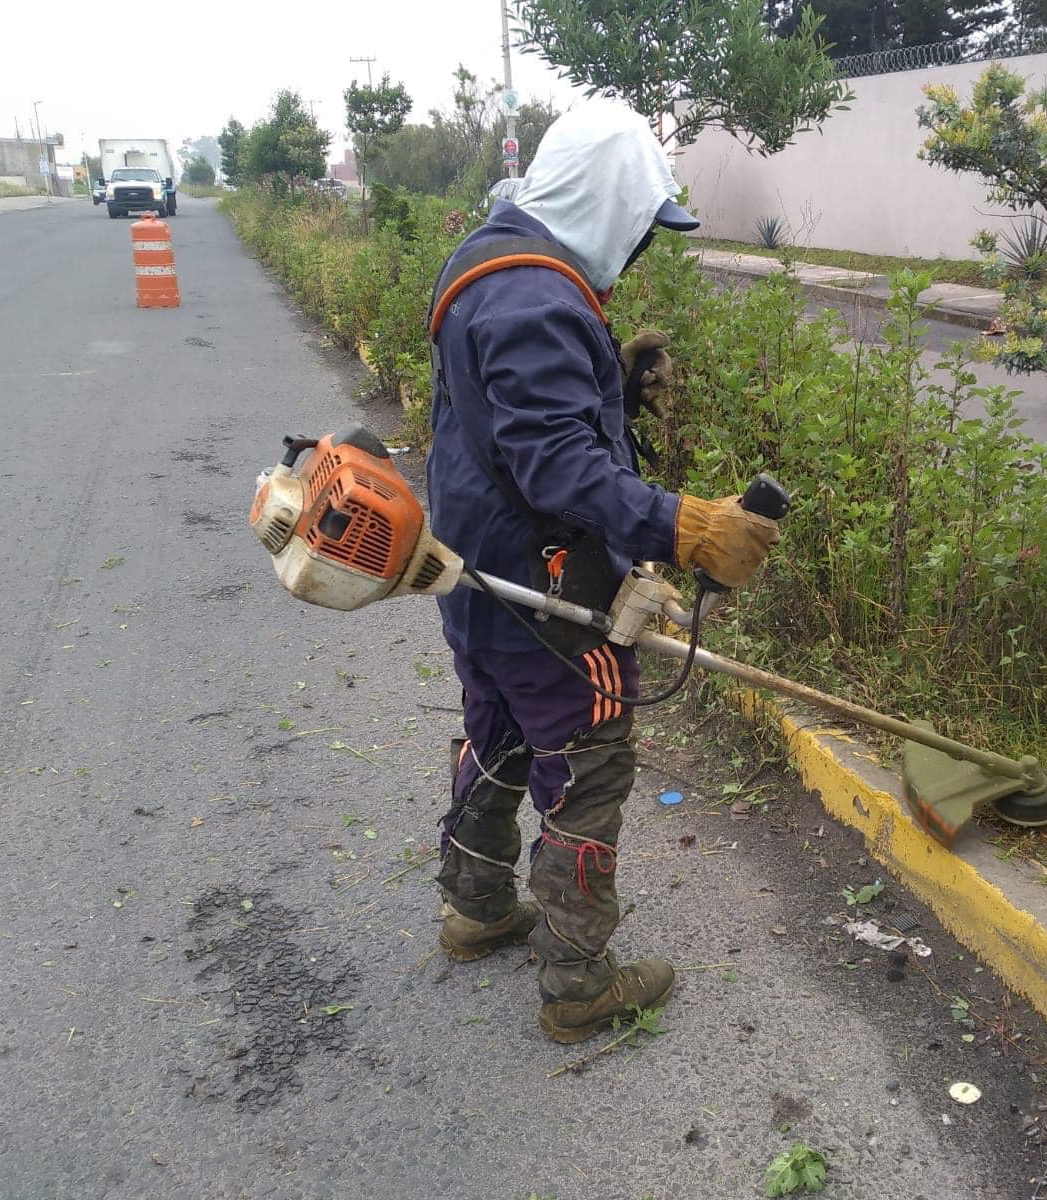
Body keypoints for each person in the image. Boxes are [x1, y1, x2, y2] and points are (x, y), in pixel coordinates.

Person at [424, 98, 781, 1044]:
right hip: (546, 590)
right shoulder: (540, 299)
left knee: (495, 729)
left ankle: (474, 906)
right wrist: (688, 524)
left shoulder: (486, 260)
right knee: (588, 758)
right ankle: (579, 982)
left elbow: (503, 428)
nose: (639, 249)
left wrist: (608, 383)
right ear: (610, 200)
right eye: (641, 226)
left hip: (472, 574)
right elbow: (556, 469)